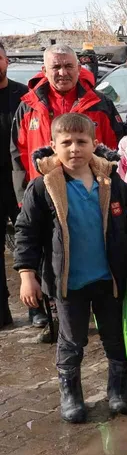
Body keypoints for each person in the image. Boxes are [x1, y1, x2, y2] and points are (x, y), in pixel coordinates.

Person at [14, 113, 127, 422]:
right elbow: (26, 232)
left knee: (115, 338)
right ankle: (71, 395)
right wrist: (27, 275)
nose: (74, 149)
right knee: (72, 341)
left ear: (95, 144)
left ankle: (118, 391)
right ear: (53, 145)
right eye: (67, 142)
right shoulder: (43, 187)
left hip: (109, 279)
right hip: (68, 282)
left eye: (82, 141)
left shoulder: (110, 181)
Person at [11, 44, 124, 203]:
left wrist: (113, 193)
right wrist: (24, 198)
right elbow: (18, 156)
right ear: (44, 71)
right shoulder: (28, 107)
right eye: (56, 67)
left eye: (69, 66)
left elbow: (116, 151)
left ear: (78, 68)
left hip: (92, 196)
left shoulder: (100, 104)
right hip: (42, 197)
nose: (63, 73)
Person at [0, 42, 28, 328]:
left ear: (6, 60)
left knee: (30, 243)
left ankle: (38, 309)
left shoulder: (24, 96)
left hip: (21, 182)